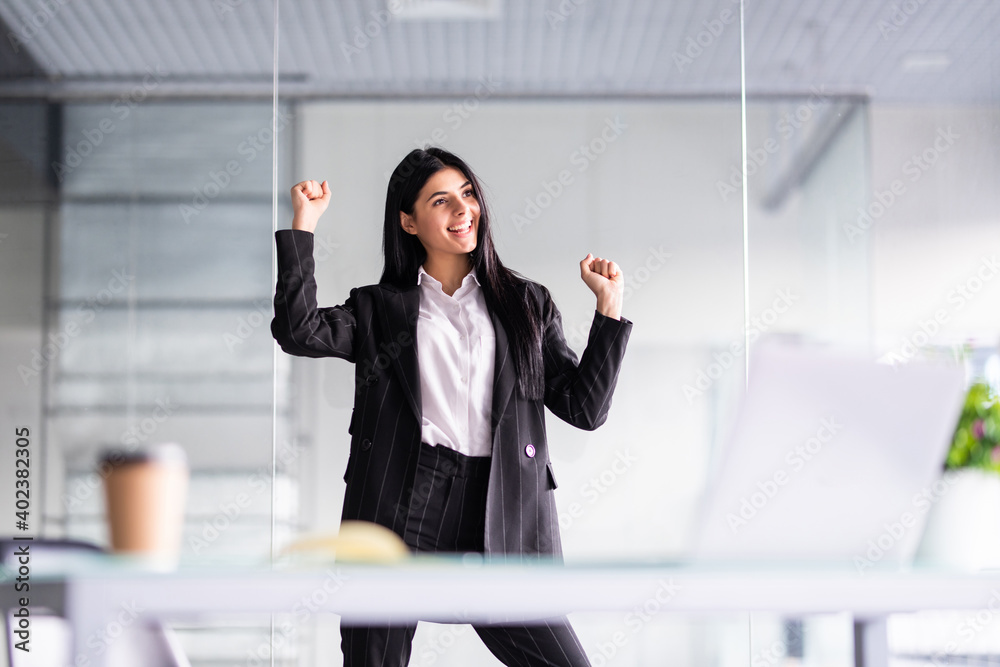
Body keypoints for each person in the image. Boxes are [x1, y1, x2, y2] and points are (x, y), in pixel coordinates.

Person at [271, 146, 633, 666]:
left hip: (501, 502)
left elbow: (584, 407)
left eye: (467, 194)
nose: (463, 210)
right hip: (401, 502)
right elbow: (299, 331)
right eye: (441, 200)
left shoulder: (525, 303)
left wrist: (609, 308)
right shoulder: (380, 309)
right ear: (408, 221)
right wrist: (303, 227)